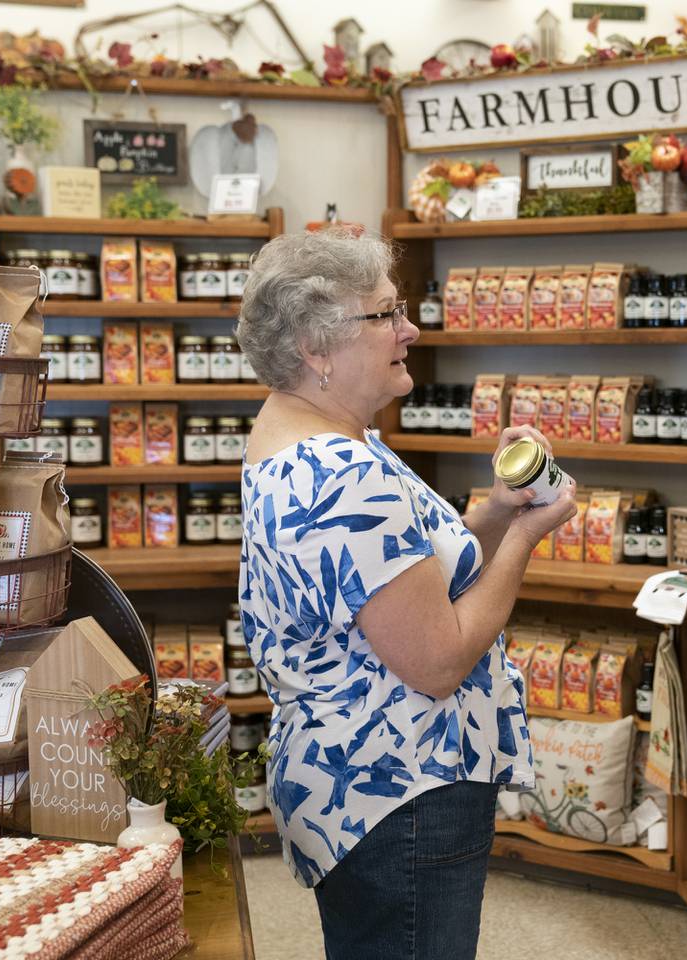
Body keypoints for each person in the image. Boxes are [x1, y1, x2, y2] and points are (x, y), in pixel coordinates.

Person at [235, 229, 576, 960]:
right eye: (385, 315)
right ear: (316, 347)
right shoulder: (342, 474)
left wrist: (497, 510)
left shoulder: (310, 436)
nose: (408, 330)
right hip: (402, 794)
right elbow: (438, 658)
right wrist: (526, 538)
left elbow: (410, 570)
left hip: (357, 785)